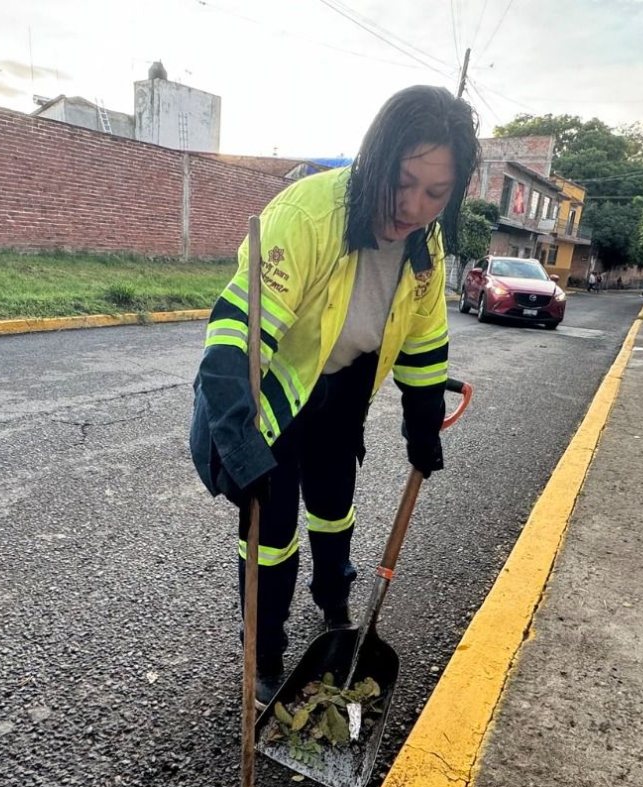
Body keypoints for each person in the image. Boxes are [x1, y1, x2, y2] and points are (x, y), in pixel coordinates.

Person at [189, 86, 481, 706]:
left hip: (344, 389)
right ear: (377, 158)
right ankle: (264, 651)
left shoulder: (423, 249)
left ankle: (335, 606)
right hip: (265, 398)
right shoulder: (306, 218)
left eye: (437, 193)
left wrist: (422, 426)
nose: (414, 206)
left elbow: (425, 340)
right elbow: (235, 339)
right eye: (404, 182)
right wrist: (240, 443)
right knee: (272, 530)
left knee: (333, 507)